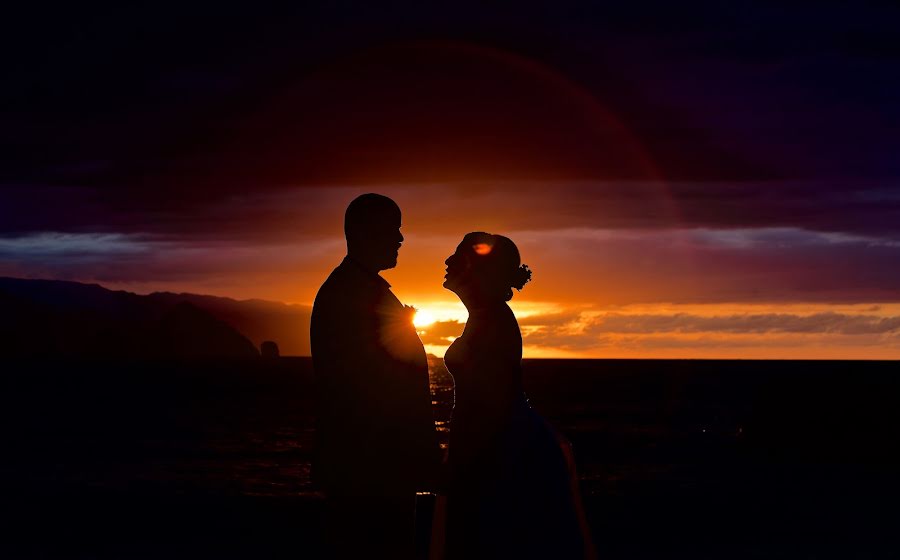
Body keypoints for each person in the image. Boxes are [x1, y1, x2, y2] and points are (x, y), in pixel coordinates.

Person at [442, 232, 596, 559]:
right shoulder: (485, 318)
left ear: (478, 271)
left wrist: (468, 468)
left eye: (458, 256)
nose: (448, 262)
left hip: (495, 459)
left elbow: (491, 407)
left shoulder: (493, 322)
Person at [310, 193, 440, 559]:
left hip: (370, 467)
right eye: (393, 229)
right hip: (372, 471)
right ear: (365, 232)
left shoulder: (354, 289)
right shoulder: (353, 295)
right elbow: (371, 388)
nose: (400, 239)